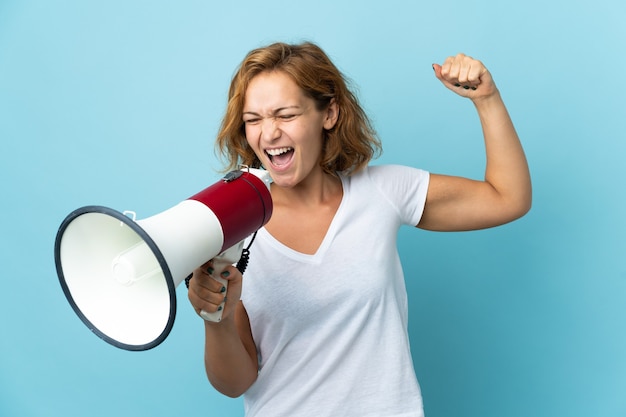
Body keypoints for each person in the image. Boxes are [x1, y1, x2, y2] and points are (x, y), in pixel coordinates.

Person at [187, 41, 531, 417]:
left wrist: (487, 98)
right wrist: (216, 318)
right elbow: (236, 383)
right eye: (253, 119)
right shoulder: (232, 226)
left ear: (329, 113)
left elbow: (507, 198)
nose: (268, 134)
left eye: (285, 115)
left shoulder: (382, 192)